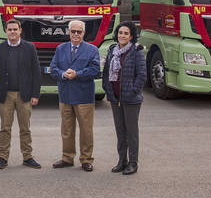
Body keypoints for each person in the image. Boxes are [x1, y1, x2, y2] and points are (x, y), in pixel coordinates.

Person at [0, 19, 42, 169]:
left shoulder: (29, 48)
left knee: (25, 128)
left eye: (15, 29)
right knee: (5, 128)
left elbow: (36, 72)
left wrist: (35, 94)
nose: (12, 32)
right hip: (6, 95)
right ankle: (3, 157)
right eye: (9, 29)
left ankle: (27, 156)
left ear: (20, 31)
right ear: (5, 31)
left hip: (24, 95)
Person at [49, 20, 100, 171]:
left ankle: (86, 159)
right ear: (68, 32)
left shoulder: (92, 50)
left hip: (84, 97)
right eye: (73, 31)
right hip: (65, 96)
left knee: (86, 130)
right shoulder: (60, 49)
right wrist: (63, 74)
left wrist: (77, 74)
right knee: (66, 130)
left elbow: (95, 69)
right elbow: (53, 69)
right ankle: (67, 157)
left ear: (84, 33)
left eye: (79, 32)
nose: (76, 34)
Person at [102, 21, 146, 175]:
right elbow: (107, 71)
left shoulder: (137, 51)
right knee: (120, 131)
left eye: (126, 33)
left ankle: (133, 162)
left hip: (131, 99)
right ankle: (122, 161)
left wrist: (133, 90)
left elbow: (142, 75)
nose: (122, 36)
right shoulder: (112, 50)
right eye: (120, 33)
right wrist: (107, 89)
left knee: (131, 132)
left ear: (131, 36)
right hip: (115, 98)